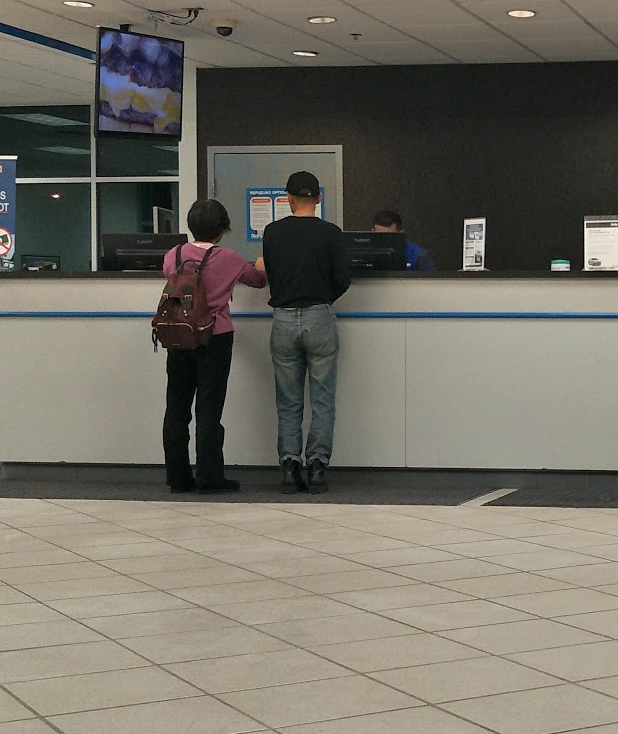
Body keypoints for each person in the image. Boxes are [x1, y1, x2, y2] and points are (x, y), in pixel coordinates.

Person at [161, 199, 264, 494]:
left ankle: (178, 477)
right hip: (215, 337)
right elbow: (258, 281)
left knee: (176, 407)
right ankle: (209, 476)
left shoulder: (173, 254)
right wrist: (260, 263)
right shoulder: (229, 258)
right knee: (209, 408)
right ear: (222, 230)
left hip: (179, 335)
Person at [259, 170, 351, 494]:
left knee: (288, 400)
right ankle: (317, 468)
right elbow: (343, 279)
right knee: (322, 399)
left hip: (283, 319)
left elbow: (271, 273)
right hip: (319, 316)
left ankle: (289, 467)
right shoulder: (331, 233)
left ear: (288, 198)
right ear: (319, 198)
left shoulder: (272, 232)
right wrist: (323, 299)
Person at [372, 208, 437, 271]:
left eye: (390, 237)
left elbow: (432, 278)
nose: (385, 241)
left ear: (401, 234)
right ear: (372, 233)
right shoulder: (367, 254)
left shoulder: (418, 255)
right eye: (380, 236)